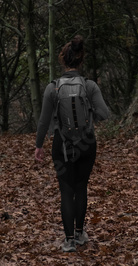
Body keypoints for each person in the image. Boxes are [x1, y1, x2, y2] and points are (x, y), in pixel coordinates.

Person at [34, 35, 110, 252]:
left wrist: (39, 146)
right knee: (81, 186)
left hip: (62, 145)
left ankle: (68, 241)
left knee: (66, 190)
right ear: (81, 60)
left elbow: (44, 121)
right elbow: (104, 114)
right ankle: (79, 233)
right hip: (87, 143)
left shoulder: (53, 88)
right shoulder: (90, 86)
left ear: (63, 61)